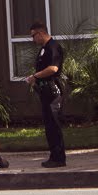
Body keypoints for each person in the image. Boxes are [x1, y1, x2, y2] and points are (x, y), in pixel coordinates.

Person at [25, 21, 66, 167]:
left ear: (41, 33)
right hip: (45, 91)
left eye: (33, 35)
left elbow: (53, 68)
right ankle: (54, 156)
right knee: (49, 126)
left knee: (54, 125)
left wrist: (35, 76)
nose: (33, 39)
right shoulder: (44, 49)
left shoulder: (53, 47)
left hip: (53, 91)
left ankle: (59, 158)